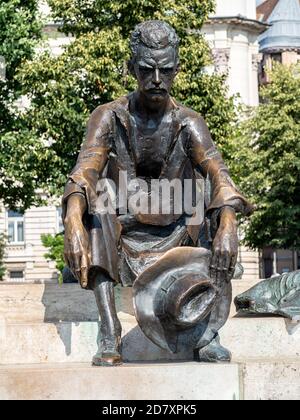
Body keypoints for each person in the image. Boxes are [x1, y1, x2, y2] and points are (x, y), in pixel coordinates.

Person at [62, 20, 253, 366]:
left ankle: (207, 331)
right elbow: (86, 169)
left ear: (176, 69)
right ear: (131, 68)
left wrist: (227, 221)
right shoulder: (108, 116)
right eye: (147, 70)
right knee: (99, 197)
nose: (156, 80)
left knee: (201, 195)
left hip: (175, 230)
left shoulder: (188, 121)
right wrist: (73, 219)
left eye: (165, 71)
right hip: (122, 229)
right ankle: (109, 328)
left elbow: (217, 171)